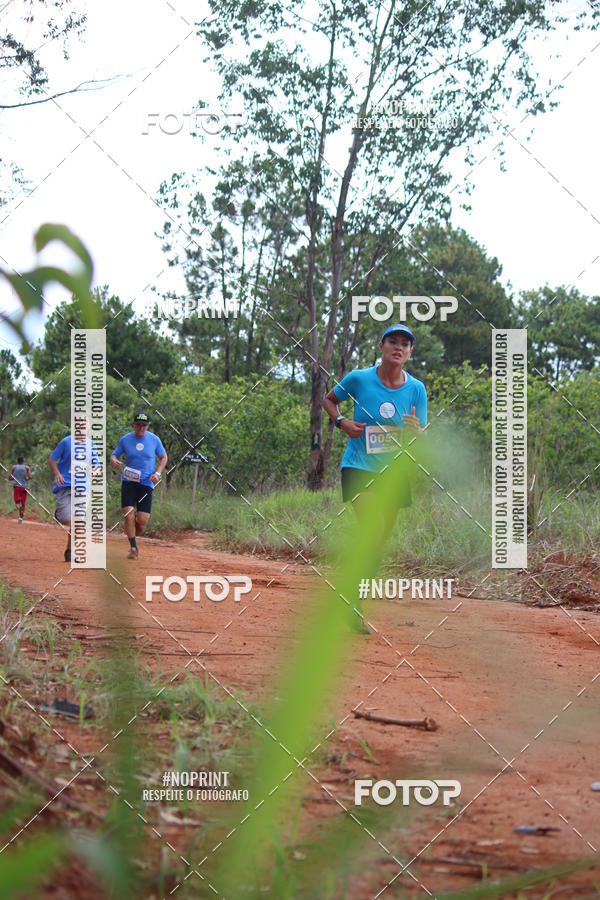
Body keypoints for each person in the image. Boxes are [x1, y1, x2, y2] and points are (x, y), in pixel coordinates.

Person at [322, 324, 428, 631]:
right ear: (381, 346)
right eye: (392, 341)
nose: (398, 347)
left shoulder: (416, 389)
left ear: (410, 352)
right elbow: (328, 400)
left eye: (404, 344)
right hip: (358, 467)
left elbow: (422, 433)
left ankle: (352, 602)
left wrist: (416, 431)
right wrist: (342, 422)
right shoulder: (359, 378)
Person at [110, 412, 167, 559]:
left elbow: (163, 457)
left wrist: (158, 473)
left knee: (142, 521)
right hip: (129, 481)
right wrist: (114, 460)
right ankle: (133, 548)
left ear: (148, 426)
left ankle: (132, 533)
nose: (141, 428)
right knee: (128, 514)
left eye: (144, 425)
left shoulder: (154, 440)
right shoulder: (125, 440)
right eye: (139, 425)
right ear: (133, 425)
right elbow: (114, 455)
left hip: (146, 483)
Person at [49, 427, 100, 562]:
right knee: (67, 519)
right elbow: (52, 459)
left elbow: (97, 467)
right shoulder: (66, 442)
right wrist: (57, 474)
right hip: (65, 484)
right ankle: (59, 515)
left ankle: (72, 551)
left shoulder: (91, 444)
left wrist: (93, 472)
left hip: (83, 487)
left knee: (78, 520)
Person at [8, 456, 32, 522]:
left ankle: (20, 510)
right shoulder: (27, 467)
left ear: (17, 461)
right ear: (23, 461)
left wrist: (15, 478)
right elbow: (30, 477)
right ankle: (21, 518)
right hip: (24, 487)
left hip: (17, 487)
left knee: (17, 502)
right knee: (23, 503)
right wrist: (26, 479)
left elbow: (9, 478)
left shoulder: (14, 467)